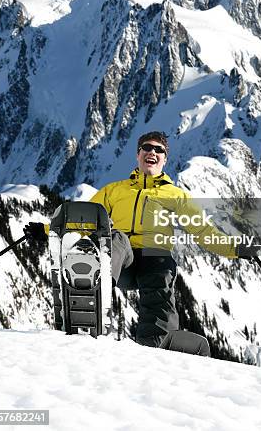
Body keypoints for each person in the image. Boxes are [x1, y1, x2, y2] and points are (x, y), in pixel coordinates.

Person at [90, 130, 240, 348]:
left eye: (158, 150)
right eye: (147, 148)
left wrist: (235, 249)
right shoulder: (115, 190)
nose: (152, 152)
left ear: (164, 159)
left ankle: (156, 343)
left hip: (154, 261)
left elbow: (202, 231)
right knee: (116, 237)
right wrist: (48, 231)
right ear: (138, 154)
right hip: (123, 261)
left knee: (159, 260)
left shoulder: (175, 196)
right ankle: (94, 297)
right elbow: (85, 219)